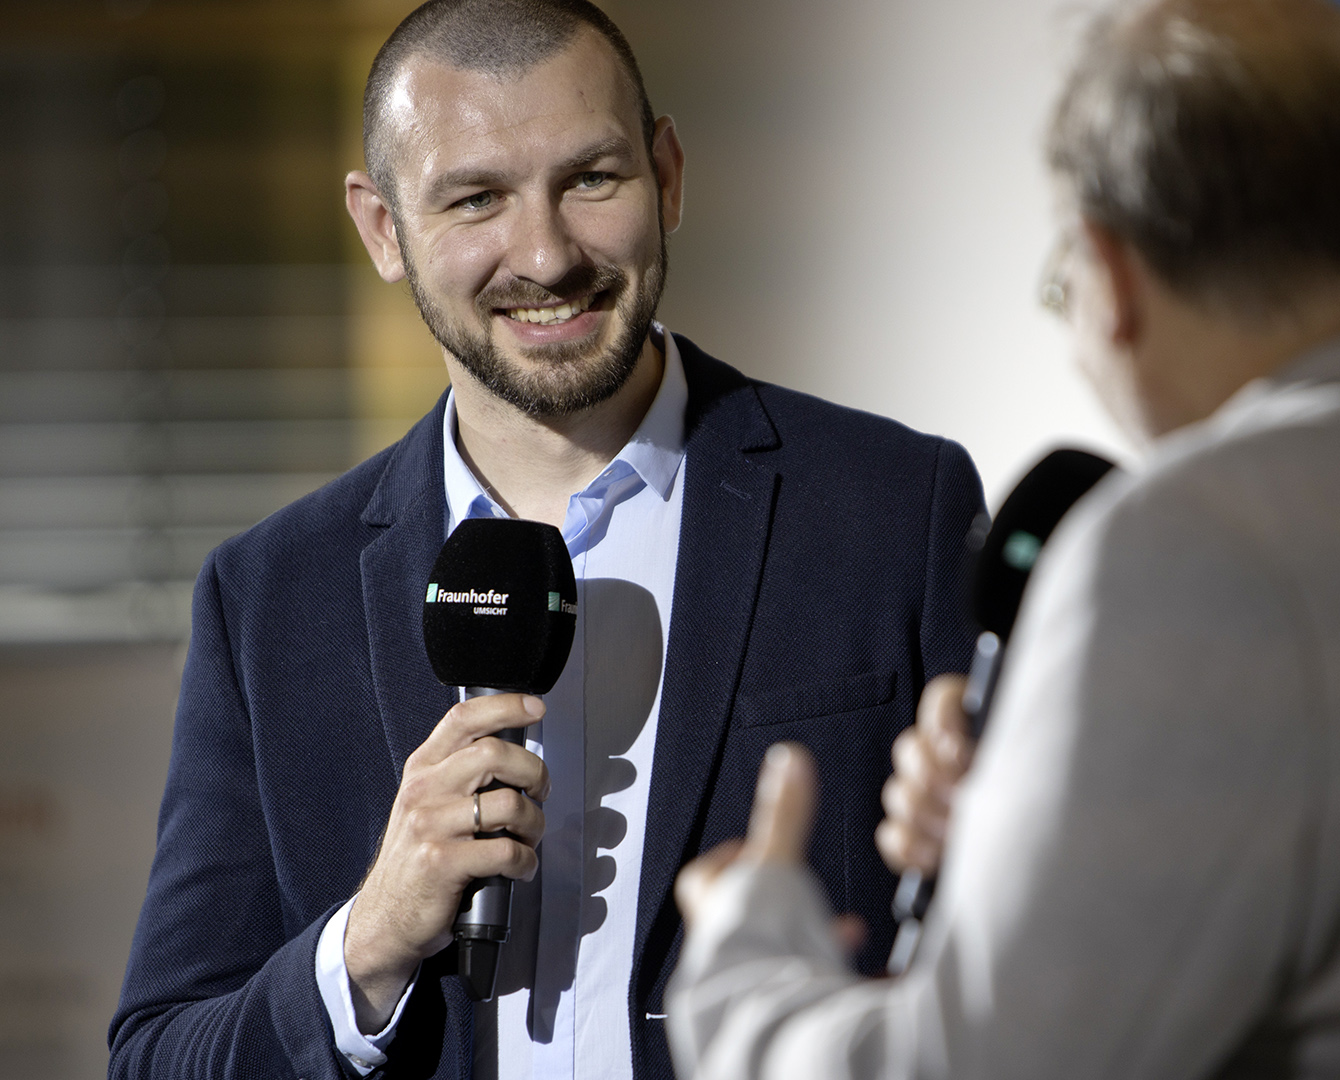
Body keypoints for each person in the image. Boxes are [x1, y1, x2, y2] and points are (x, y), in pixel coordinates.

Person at [107, 1, 985, 1079]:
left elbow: (1022, 961)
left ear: (665, 174)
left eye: (592, 180)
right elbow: (159, 1057)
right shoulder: (270, 597)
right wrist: (371, 938)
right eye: (477, 197)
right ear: (383, 228)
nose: (546, 254)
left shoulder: (898, 507)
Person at [665, 0, 1340, 1076]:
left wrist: (746, 958)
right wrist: (1027, 851)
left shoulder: (1193, 546)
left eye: (1061, 283)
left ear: (1113, 280)